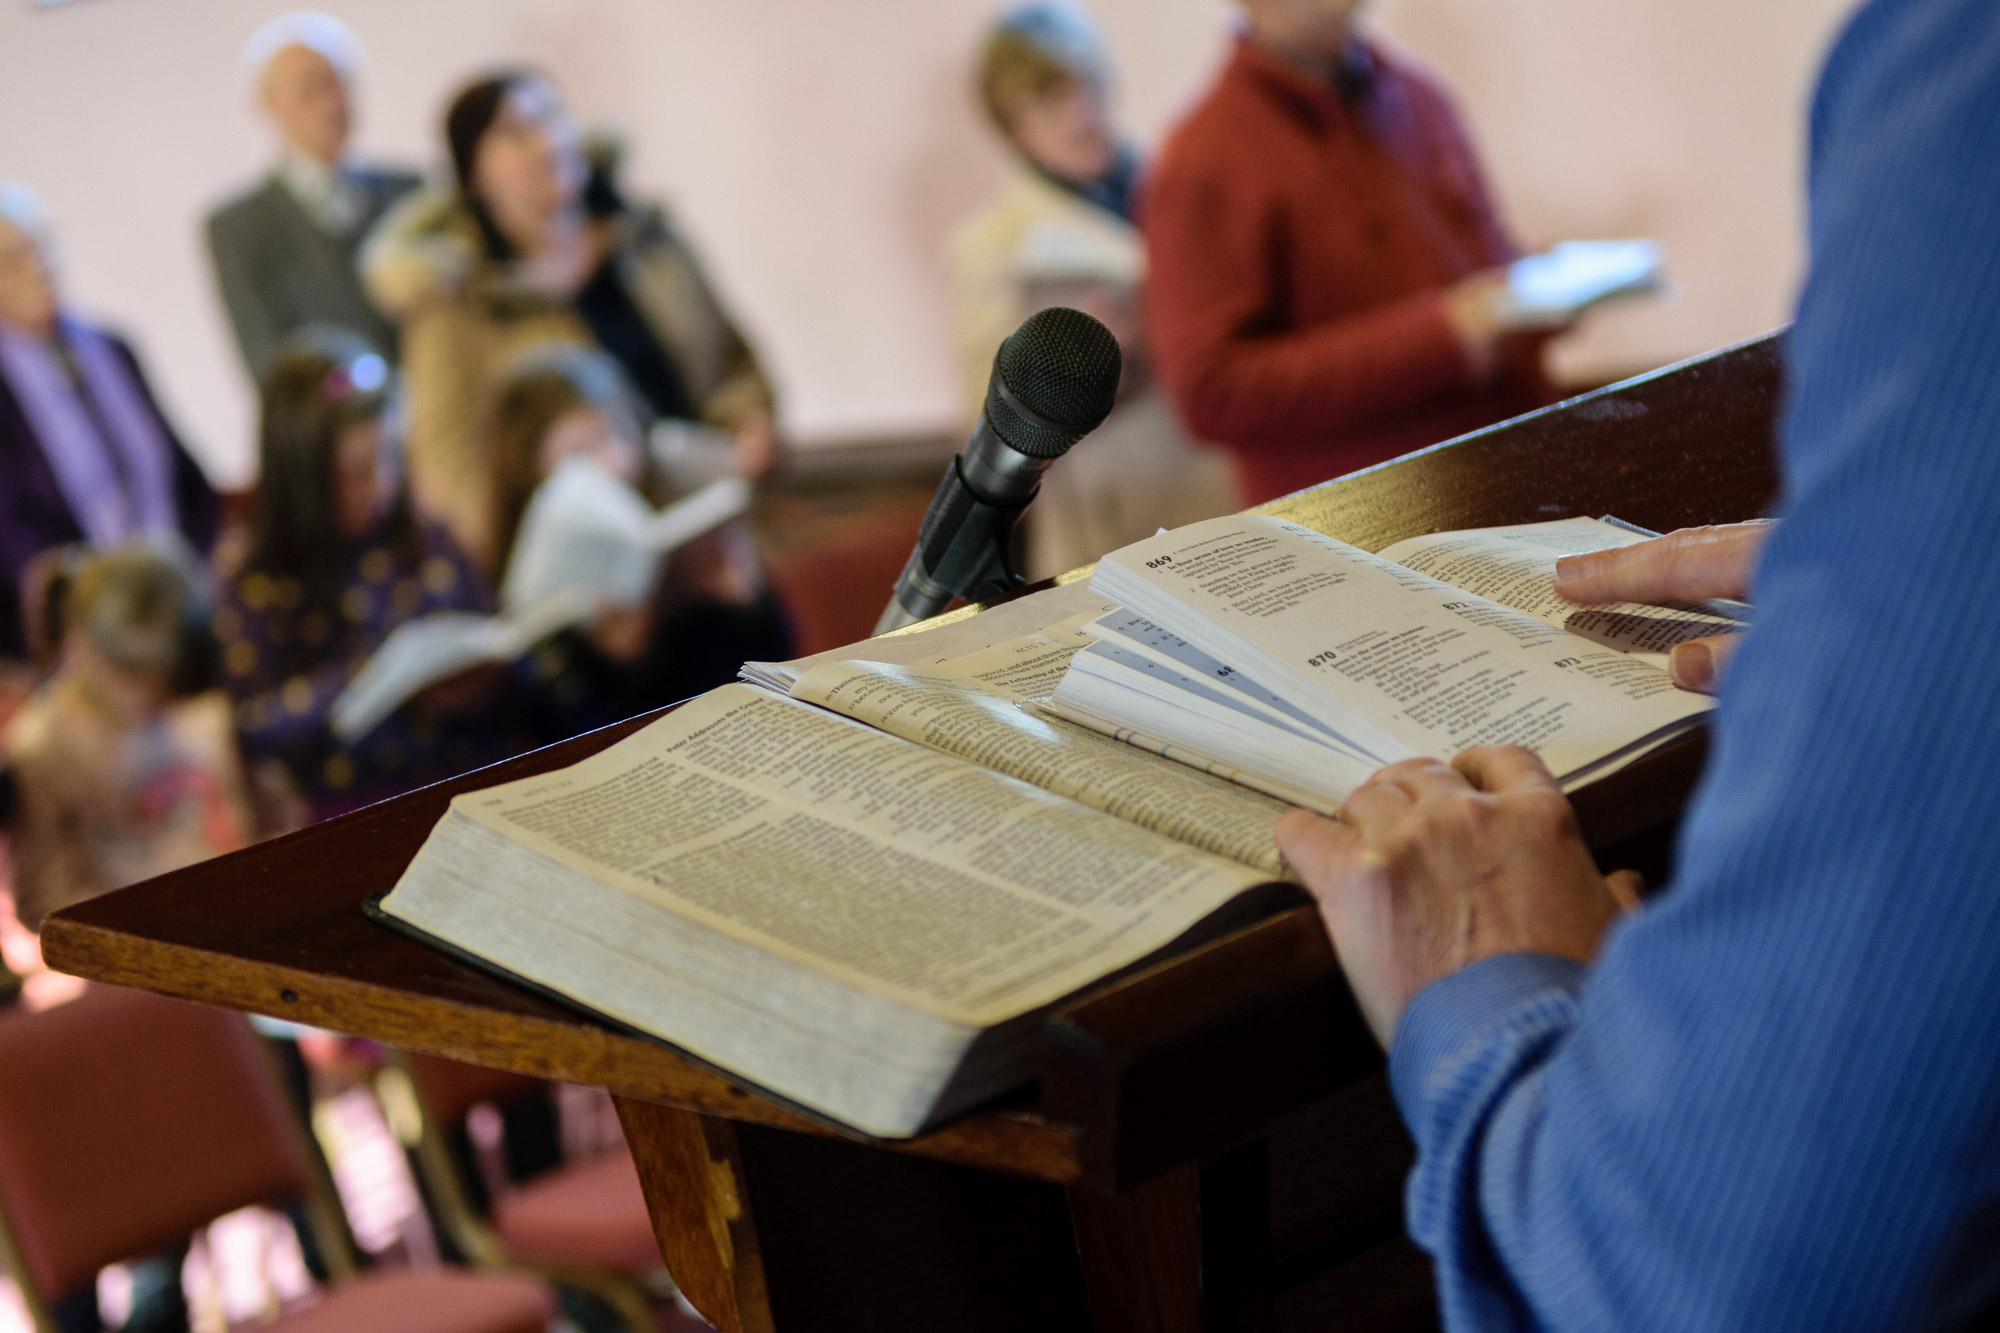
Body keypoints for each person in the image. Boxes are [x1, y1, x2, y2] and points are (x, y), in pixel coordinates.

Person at [1274, 1, 2000, 1325]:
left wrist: (1493, 1014)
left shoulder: (1966, 83)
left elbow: (1709, 1261)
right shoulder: (1219, 148)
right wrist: (1918, 579)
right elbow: (1224, 382)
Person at [1144, 0, 1561, 505]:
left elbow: (1480, 273)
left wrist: (1542, 294)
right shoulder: (1203, 156)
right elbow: (1210, 392)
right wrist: (1441, 337)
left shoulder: (1420, 96)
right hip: (1366, 531)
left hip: (1516, 471)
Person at [363, 71, 779, 571]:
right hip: (586, 567)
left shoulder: (645, 241)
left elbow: (730, 361)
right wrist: (526, 552)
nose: (549, 141)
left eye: (554, 117)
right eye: (517, 132)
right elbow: (446, 465)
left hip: (713, 522)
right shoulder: (454, 299)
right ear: (475, 175)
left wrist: (748, 422)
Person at [948, 3, 1239, 578]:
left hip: (1228, 479)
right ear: (1013, 128)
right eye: (1048, 103)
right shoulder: (992, 248)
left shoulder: (1178, 186)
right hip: (1118, 525)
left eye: (1087, 87)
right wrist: (1072, 358)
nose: (1081, 116)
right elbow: (987, 421)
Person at [214, 331, 526, 821]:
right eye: (356, 472)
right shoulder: (257, 575)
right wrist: (365, 676)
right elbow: (255, 726)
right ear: (302, 480)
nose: (381, 486)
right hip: (362, 809)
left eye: (391, 459)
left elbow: (489, 628)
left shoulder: (423, 530)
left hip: (476, 766)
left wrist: (479, 674)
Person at [483, 344, 793, 742]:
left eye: (617, 436)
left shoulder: (670, 515)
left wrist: (745, 602)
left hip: (747, 736)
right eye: (582, 453)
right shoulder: (525, 579)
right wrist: (620, 657)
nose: (613, 462)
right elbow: (563, 741)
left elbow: (781, 660)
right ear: (531, 476)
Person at [2, 540, 267, 934]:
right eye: (128, 674)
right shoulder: (42, 749)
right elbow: (47, 906)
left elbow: (261, 821)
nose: (148, 694)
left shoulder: (201, 706)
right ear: (78, 647)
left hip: (245, 914)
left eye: (162, 674)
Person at [0, 184, 219, 661]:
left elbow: (184, 476)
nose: (37, 266)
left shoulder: (112, 347)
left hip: (178, 592)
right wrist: (97, 600)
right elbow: (12, 533)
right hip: (81, 627)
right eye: (13, 259)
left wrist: (197, 568)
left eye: (41, 245)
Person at [206, 13, 422, 377]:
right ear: (270, 103)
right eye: (310, 90)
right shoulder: (239, 229)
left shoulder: (411, 190)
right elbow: (269, 364)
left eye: (338, 85)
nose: (331, 105)